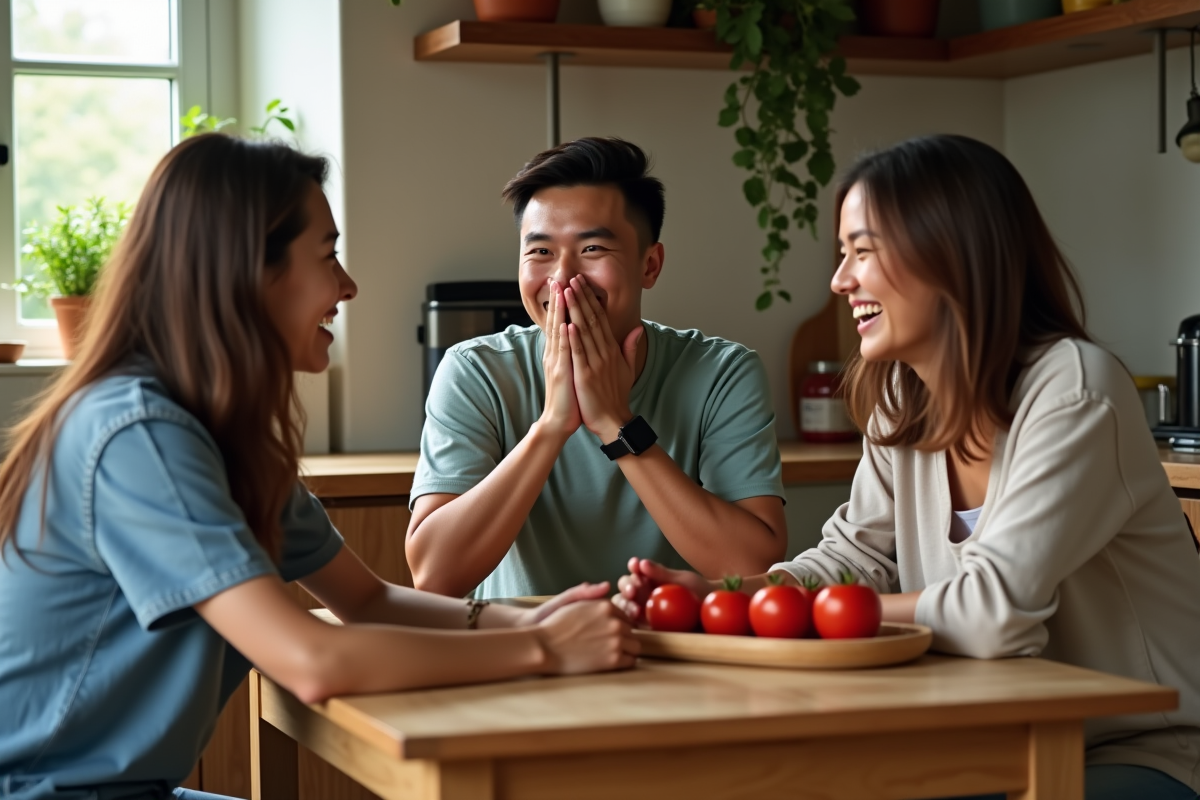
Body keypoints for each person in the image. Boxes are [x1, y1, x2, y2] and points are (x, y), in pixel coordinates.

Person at [0, 134, 638, 800]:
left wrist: (531, 621)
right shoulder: (139, 435)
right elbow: (311, 661)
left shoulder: (223, 438)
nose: (348, 285)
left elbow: (368, 600)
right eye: (328, 256)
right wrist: (546, 653)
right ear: (250, 271)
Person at [614, 134, 1200, 799]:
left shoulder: (1074, 389)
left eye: (862, 252)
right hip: (987, 743)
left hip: (1143, 752)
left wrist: (816, 614)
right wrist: (731, 597)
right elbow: (851, 559)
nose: (840, 281)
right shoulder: (903, 394)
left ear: (951, 254)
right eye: (843, 255)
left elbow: (990, 613)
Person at [405, 137, 788, 600]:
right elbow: (435, 576)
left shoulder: (723, 373)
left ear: (650, 265)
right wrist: (551, 426)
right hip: (524, 653)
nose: (563, 278)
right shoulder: (475, 371)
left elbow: (753, 567)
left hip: (679, 651)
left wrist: (616, 423)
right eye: (540, 252)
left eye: (592, 250)